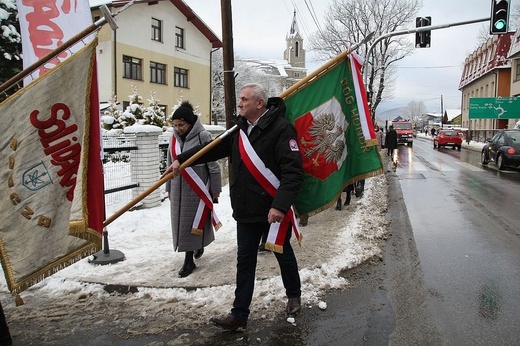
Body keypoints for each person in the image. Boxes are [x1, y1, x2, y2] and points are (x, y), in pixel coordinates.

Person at [165, 83, 303, 331]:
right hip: (246, 209)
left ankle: (294, 294)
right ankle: (239, 315)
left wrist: (280, 206)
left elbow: (292, 172)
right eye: (239, 99)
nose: (239, 104)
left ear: (259, 103)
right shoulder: (239, 130)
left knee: (283, 254)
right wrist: (181, 160)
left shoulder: (282, 129)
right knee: (245, 262)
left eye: (244, 100)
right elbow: (210, 150)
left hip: (273, 210)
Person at [165, 101, 222, 278]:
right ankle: (196, 246)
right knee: (180, 224)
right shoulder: (173, 138)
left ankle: (188, 260)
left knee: (192, 223)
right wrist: (168, 188)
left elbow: (213, 163)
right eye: (175, 125)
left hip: (197, 188)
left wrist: (215, 188)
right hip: (178, 188)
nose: (178, 128)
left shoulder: (202, 136)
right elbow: (169, 163)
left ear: (190, 123)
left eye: (181, 125)